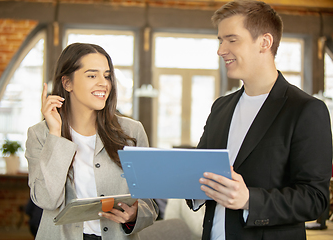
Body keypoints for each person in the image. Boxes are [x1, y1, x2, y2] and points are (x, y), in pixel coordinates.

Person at [186, 1, 333, 240]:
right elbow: (200, 173)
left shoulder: (306, 110)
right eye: (220, 41)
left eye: (232, 40)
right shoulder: (220, 107)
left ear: (264, 42)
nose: (221, 50)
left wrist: (249, 201)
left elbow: (315, 199)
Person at [25, 43, 158, 240]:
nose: (103, 83)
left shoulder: (132, 131)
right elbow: (47, 200)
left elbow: (150, 203)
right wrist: (55, 134)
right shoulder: (40, 134)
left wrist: (135, 214)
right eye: (92, 75)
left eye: (106, 75)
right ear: (67, 83)